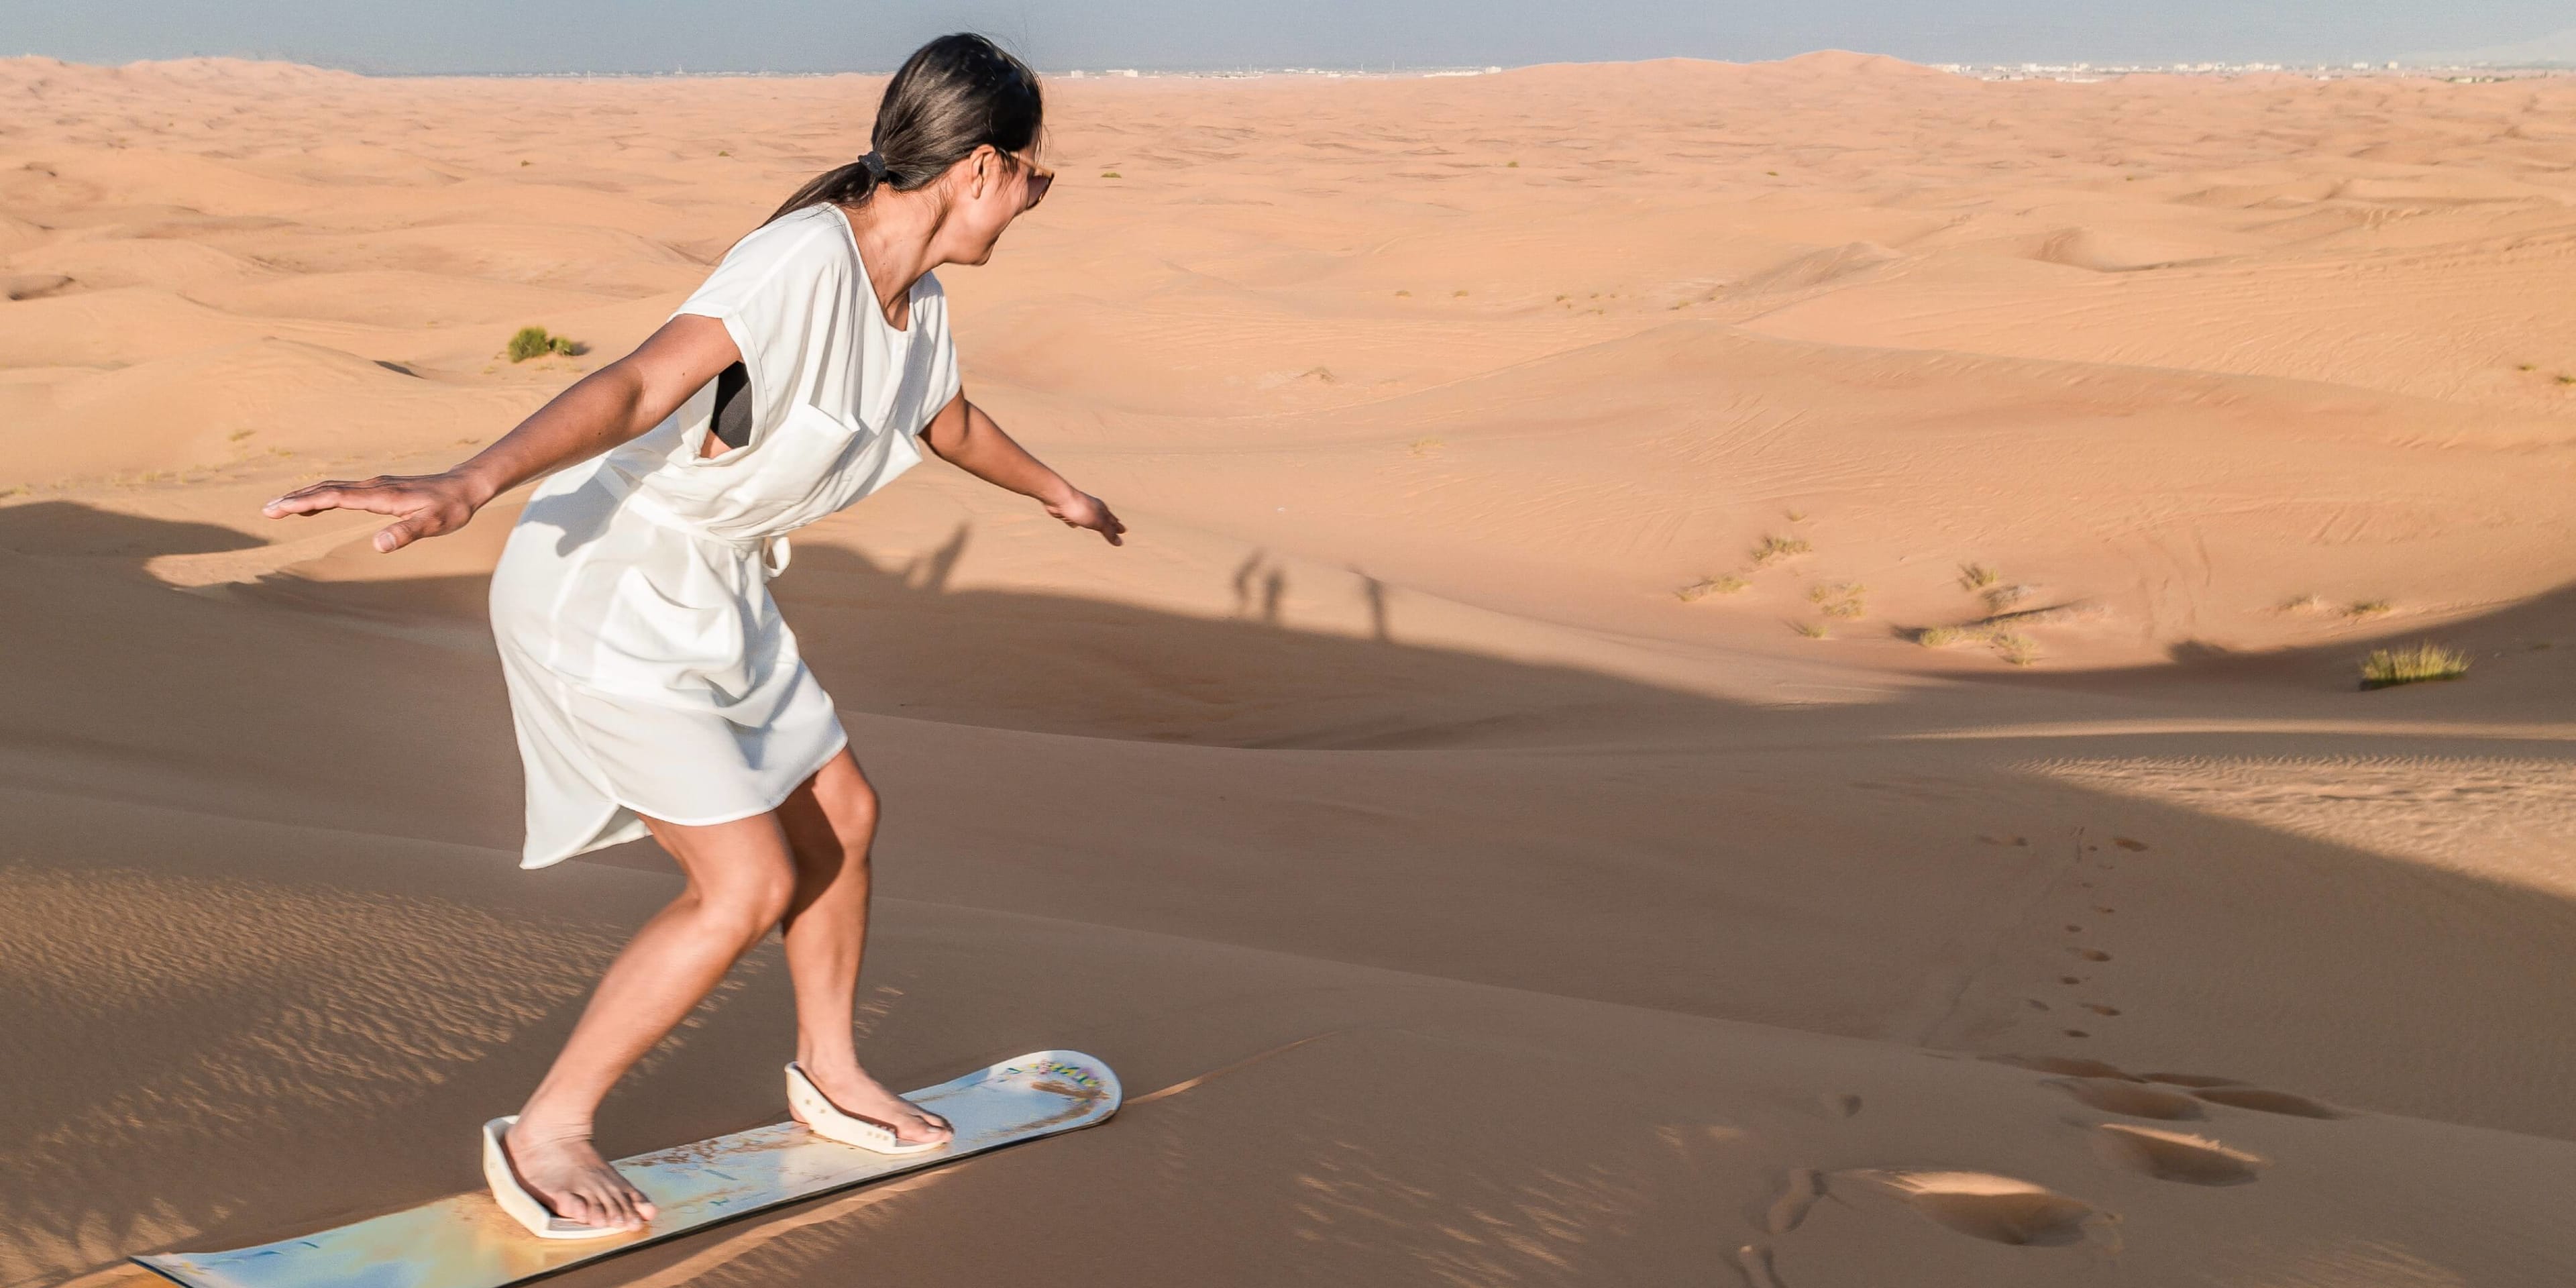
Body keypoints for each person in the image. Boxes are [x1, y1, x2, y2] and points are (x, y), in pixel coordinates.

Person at [261, 33, 1122, 1235]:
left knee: (844, 816)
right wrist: (468, 483)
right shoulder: (803, 260)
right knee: (746, 883)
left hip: (715, 586)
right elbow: (635, 386)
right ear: (982, 166)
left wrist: (1058, 493)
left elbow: (948, 419)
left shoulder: (916, 303)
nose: (1034, 198)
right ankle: (548, 1130)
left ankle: (831, 1069)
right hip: (607, 585)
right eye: (1036, 175)